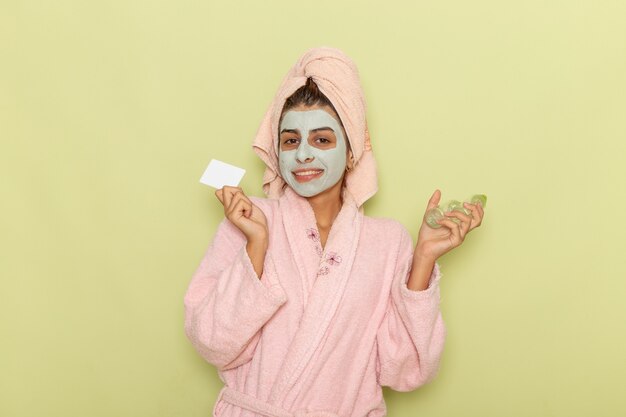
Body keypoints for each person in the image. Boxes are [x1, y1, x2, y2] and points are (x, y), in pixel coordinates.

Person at [184, 47, 485, 417]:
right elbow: (212, 343)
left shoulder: (388, 242)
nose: (304, 154)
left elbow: (406, 371)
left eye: (322, 140)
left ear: (353, 151)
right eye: (291, 140)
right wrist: (257, 246)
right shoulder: (250, 219)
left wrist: (422, 260)